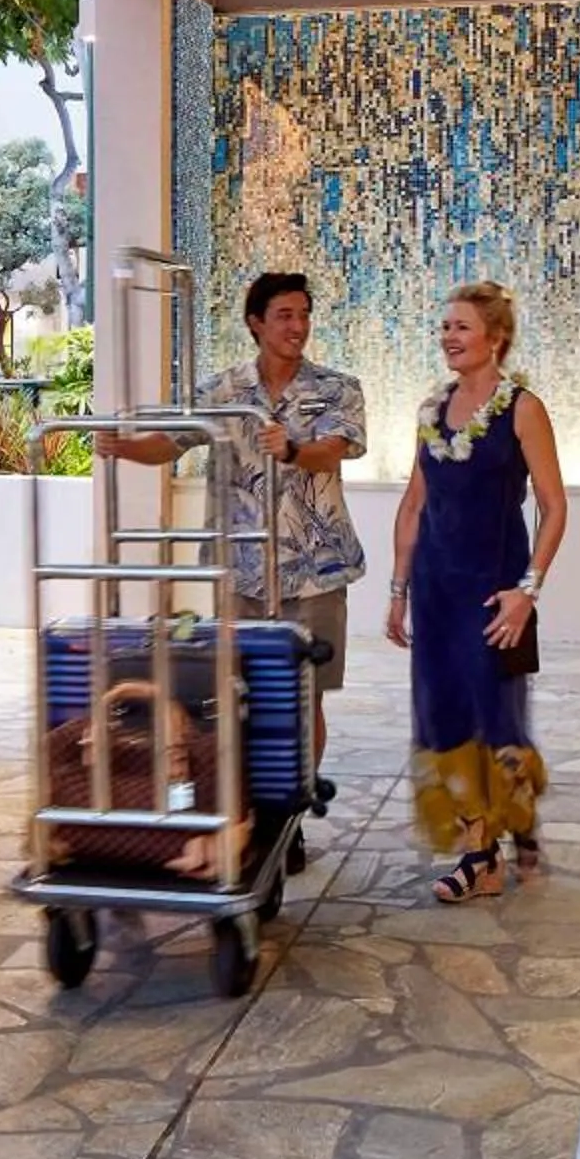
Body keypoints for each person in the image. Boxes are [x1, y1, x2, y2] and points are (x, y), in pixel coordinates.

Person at [99, 271, 364, 801]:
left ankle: (292, 812)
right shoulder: (221, 391)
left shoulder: (338, 388)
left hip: (316, 571)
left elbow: (335, 449)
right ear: (256, 323)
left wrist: (290, 449)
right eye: (285, 315)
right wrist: (122, 447)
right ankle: (247, 808)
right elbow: (171, 443)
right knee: (237, 691)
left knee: (303, 695)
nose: (298, 326)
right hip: (240, 570)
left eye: (304, 315)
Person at [385, 281, 568, 903]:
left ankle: (494, 844)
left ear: (495, 338)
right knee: (444, 718)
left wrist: (528, 591)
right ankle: (483, 848)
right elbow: (414, 504)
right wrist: (398, 590)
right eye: (444, 327)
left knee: (495, 717)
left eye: (461, 327)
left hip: (495, 597)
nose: (448, 337)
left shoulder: (522, 409)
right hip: (437, 594)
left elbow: (553, 505)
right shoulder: (430, 411)